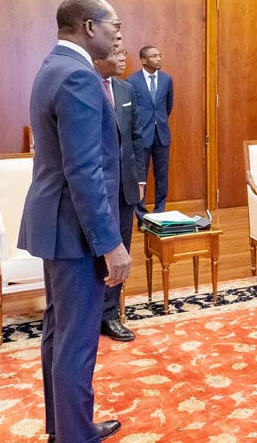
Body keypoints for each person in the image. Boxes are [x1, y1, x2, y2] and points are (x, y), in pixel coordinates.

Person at [17, 0, 131, 443]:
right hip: (76, 230)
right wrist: (111, 244)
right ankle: (75, 435)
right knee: (77, 341)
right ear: (89, 27)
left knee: (59, 332)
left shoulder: (53, 66)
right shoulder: (80, 76)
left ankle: (64, 427)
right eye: (113, 26)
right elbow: (85, 171)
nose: (117, 34)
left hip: (56, 224)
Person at [94, 34, 144, 341]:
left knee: (121, 247)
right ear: (97, 56)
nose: (123, 57)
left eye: (124, 52)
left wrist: (140, 179)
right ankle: (89, 312)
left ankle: (109, 314)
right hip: (97, 187)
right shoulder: (87, 87)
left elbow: (136, 137)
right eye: (116, 52)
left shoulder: (126, 89)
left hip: (126, 186)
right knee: (96, 251)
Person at [126, 45, 173, 226]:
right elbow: (130, 110)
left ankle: (160, 214)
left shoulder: (167, 80)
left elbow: (168, 106)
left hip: (161, 135)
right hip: (141, 136)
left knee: (162, 176)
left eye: (160, 55)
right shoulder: (132, 81)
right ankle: (142, 217)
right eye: (154, 56)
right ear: (143, 60)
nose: (159, 59)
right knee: (141, 177)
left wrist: (158, 121)